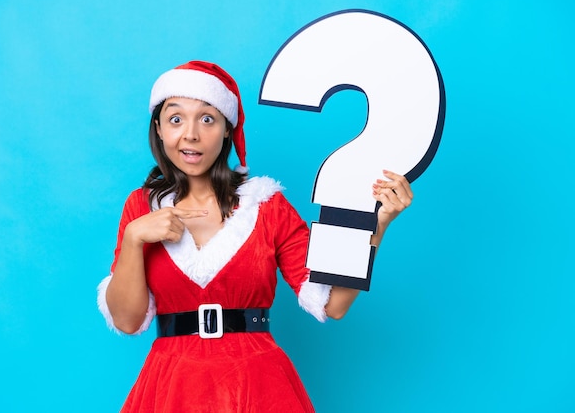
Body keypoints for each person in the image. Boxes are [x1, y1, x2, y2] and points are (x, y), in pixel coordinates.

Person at [97, 60, 413, 412]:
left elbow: (332, 304)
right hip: (172, 386)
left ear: (227, 129)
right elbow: (126, 321)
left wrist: (378, 225)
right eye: (175, 119)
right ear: (158, 128)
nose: (190, 134)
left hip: (257, 382)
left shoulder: (267, 205)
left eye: (207, 118)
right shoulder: (140, 207)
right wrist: (133, 239)